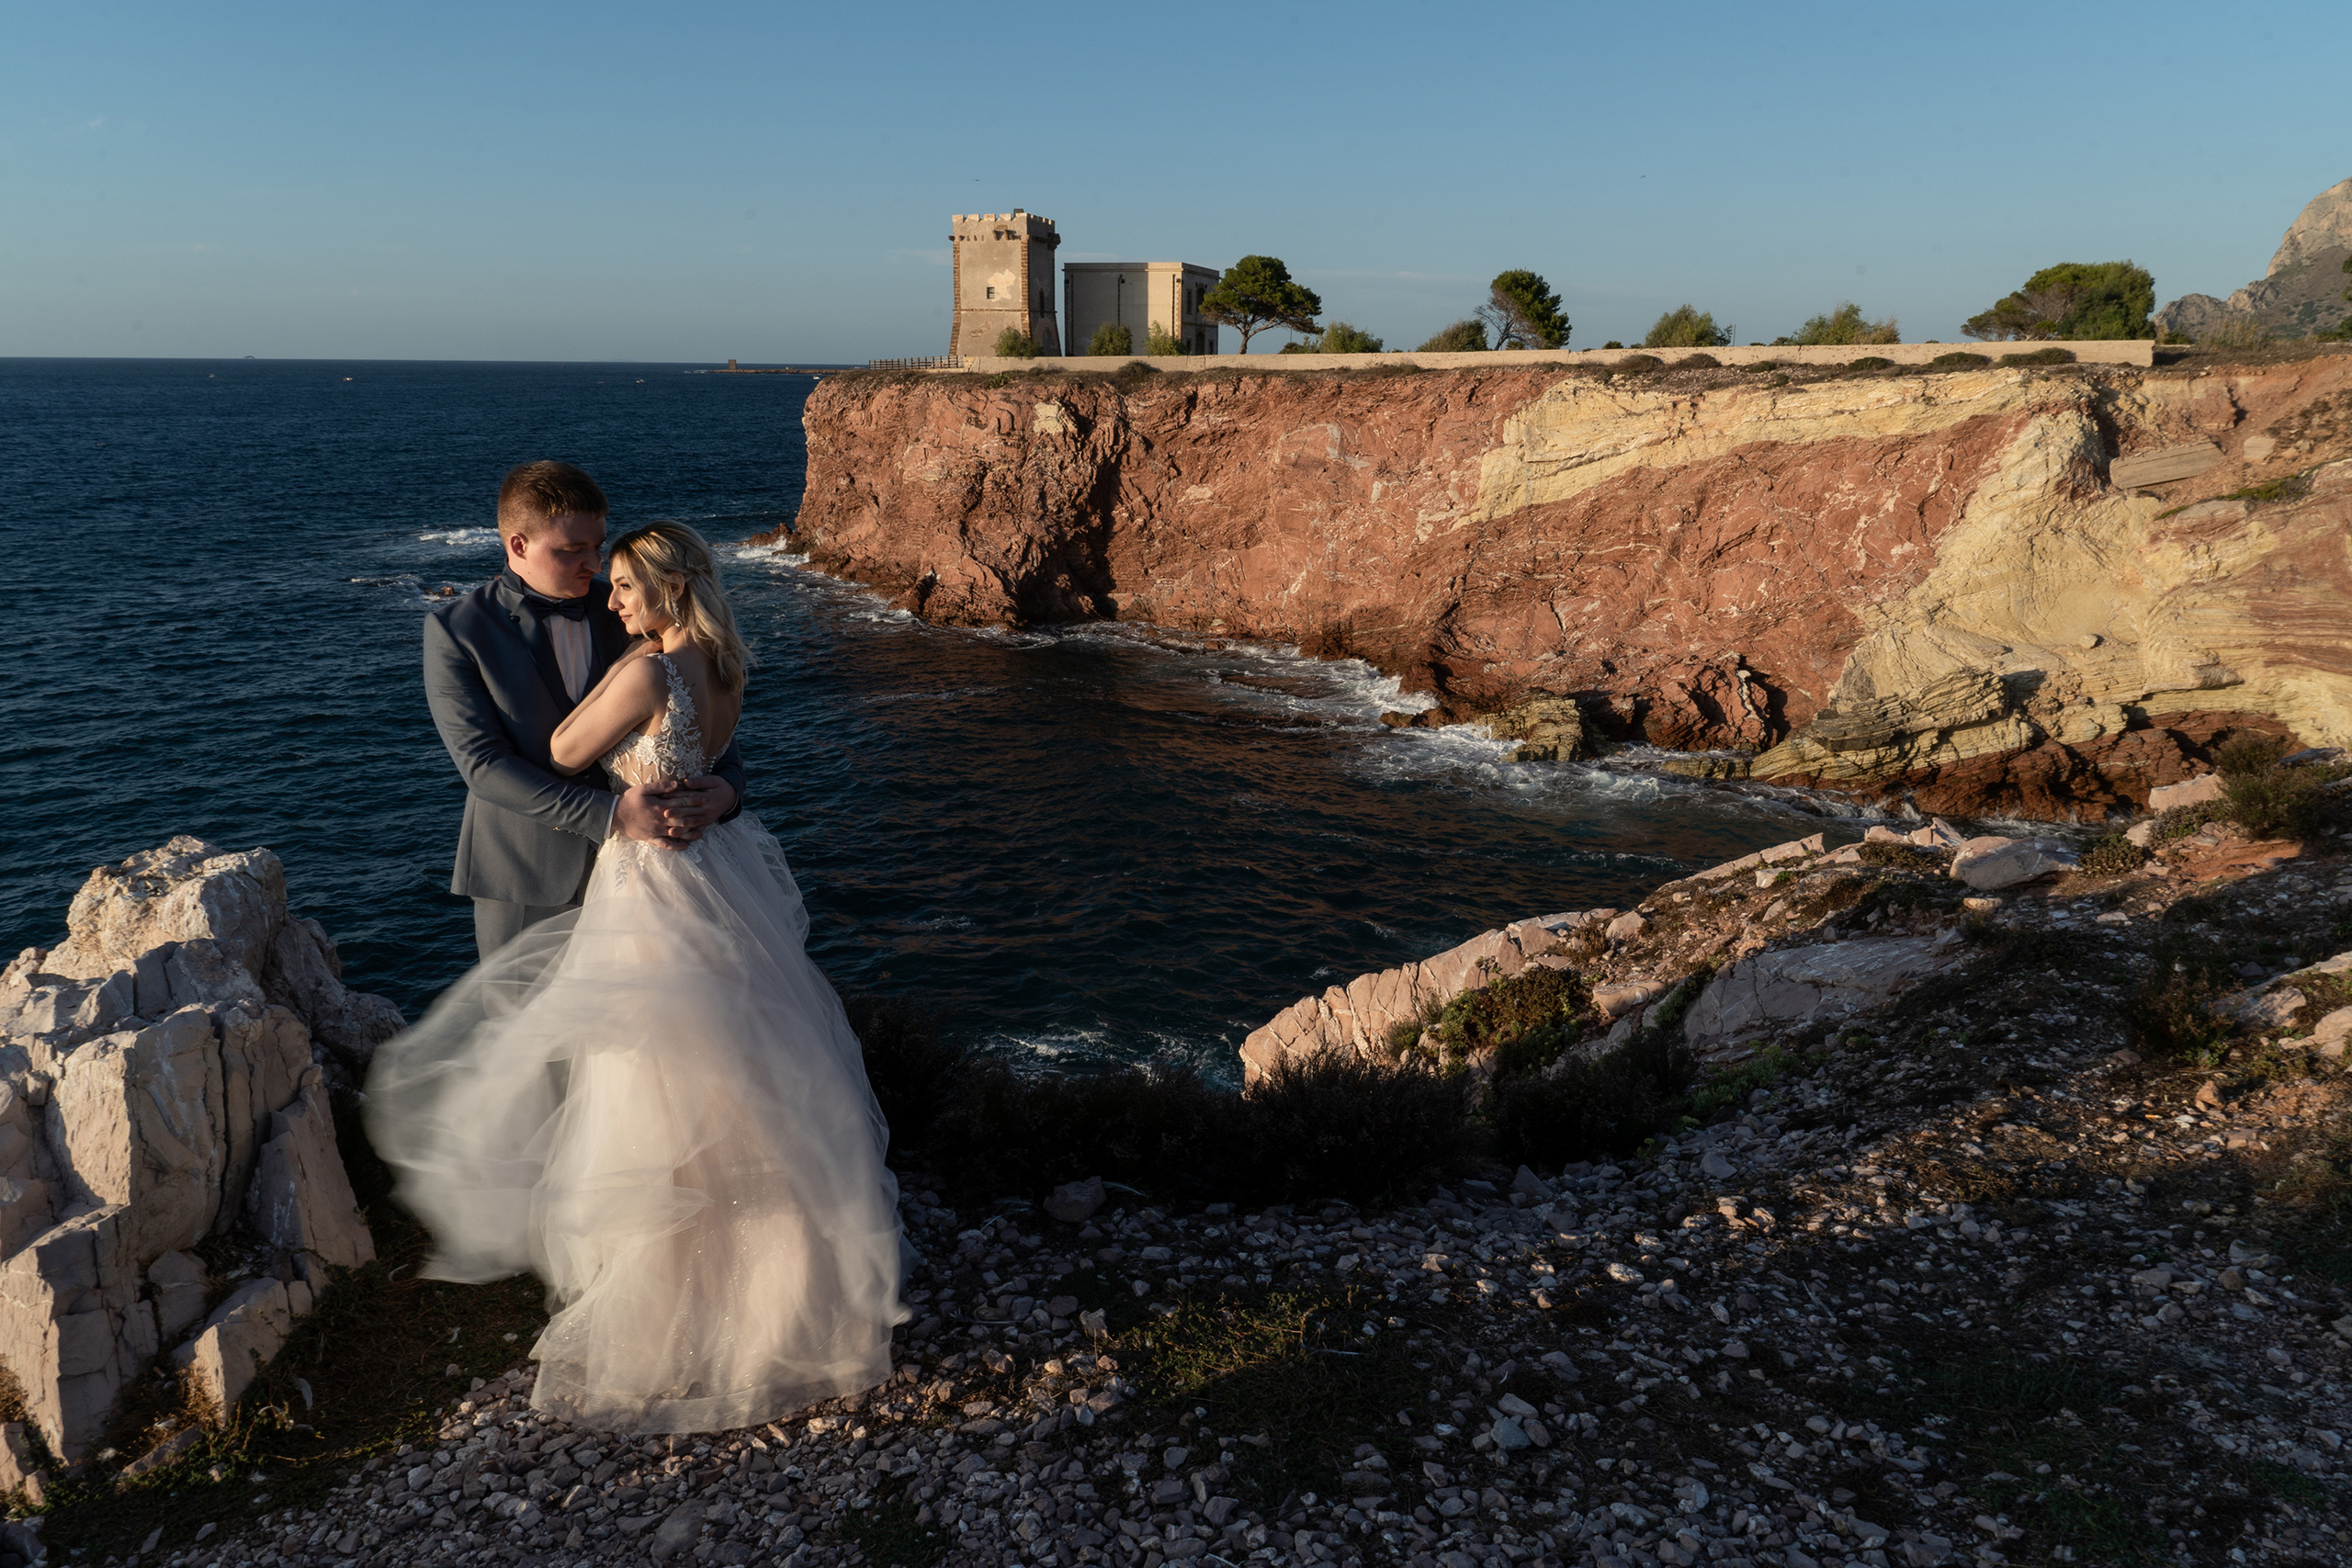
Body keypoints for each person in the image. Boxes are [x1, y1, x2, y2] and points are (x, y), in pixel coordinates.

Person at [373, 520, 905, 1434]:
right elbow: (712, 760)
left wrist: (611, 685)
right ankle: (781, 1304)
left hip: (651, 886)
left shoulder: (648, 670)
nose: (610, 600)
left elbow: (567, 752)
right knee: (742, 1079)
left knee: (651, 1087)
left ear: (667, 589)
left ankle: (678, 1321)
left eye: (624, 585)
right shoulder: (723, 663)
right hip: (718, 873)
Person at [422, 460, 748, 959]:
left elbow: (693, 722)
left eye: (598, 546)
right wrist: (612, 814)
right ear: (519, 545)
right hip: (528, 875)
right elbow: (482, 766)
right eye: (573, 551)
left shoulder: (632, 603)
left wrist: (728, 790)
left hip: (653, 874)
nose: (594, 566)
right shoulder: (459, 631)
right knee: (527, 1029)